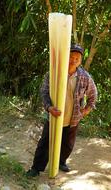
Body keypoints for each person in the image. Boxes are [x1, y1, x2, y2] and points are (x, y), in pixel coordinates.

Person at [26, 44, 97, 177]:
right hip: (54, 116)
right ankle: (36, 168)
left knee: (67, 144)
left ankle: (61, 161)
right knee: (45, 143)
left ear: (80, 60)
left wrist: (87, 109)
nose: (73, 60)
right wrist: (49, 107)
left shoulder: (85, 77)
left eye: (77, 57)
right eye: (71, 56)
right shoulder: (54, 73)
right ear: (66, 57)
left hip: (72, 118)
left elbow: (93, 94)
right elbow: (44, 91)